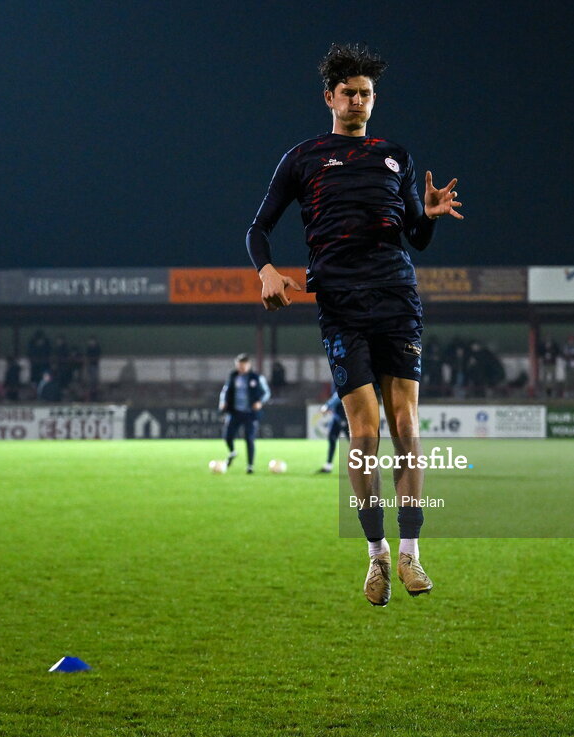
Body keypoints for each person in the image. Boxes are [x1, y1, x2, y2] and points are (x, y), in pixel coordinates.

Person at [246, 43, 463, 605]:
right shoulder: (303, 158)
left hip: (396, 296)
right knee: (363, 433)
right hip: (341, 303)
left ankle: (413, 554)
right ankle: (376, 559)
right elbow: (258, 229)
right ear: (330, 98)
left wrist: (431, 215)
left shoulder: (395, 155)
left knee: (406, 427)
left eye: (367, 93)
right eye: (350, 93)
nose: (360, 101)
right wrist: (267, 271)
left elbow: (414, 235)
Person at [218, 354, 271, 474]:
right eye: (239, 365)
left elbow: (266, 392)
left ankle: (250, 466)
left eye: (243, 365)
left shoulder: (256, 377)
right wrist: (223, 403)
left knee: (249, 439)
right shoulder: (232, 377)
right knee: (227, 436)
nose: (241, 368)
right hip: (235, 412)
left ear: (248, 365)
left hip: (250, 413)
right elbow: (225, 391)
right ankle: (232, 452)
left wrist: (260, 402)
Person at [318, 391, 349, 473]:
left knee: (355, 443)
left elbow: (336, 397)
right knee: (332, 439)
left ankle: (365, 465)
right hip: (337, 419)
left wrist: (326, 406)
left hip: (347, 418)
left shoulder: (341, 383)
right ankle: (328, 466)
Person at [85, 337, 102, 401]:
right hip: (90, 365)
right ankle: (91, 390)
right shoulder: (89, 348)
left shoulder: (97, 348)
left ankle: (94, 389)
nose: (91, 342)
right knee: (90, 378)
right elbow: (87, 355)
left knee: (94, 378)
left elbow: (98, 355)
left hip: (94, 365)